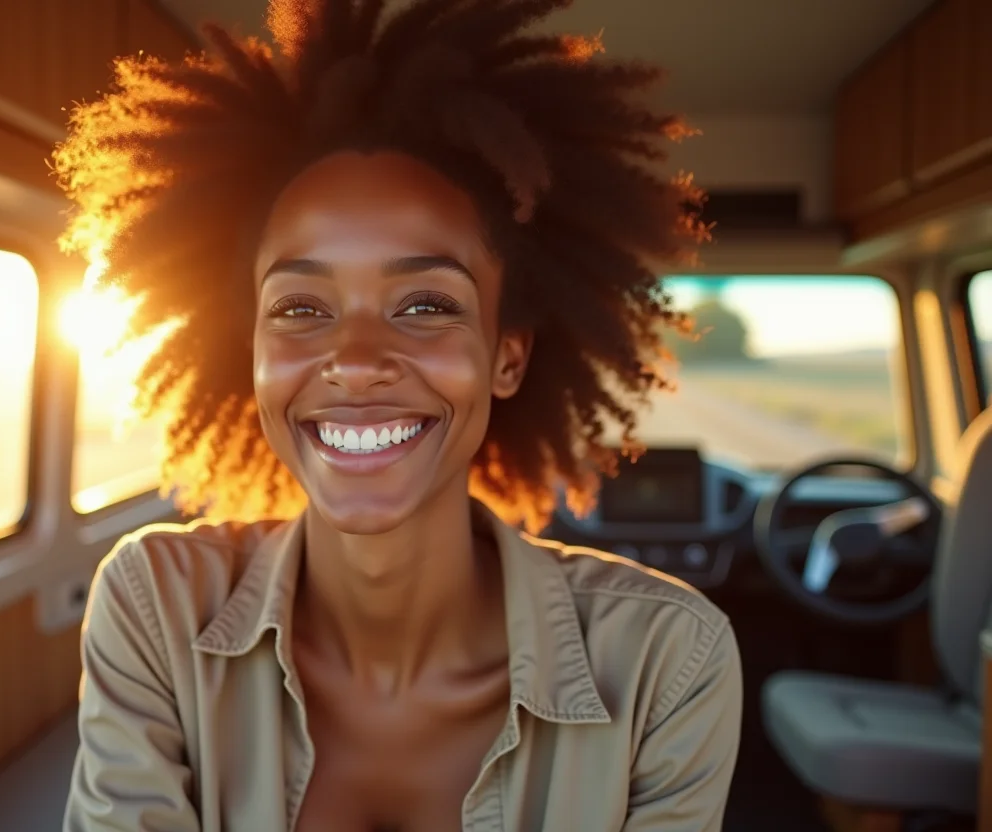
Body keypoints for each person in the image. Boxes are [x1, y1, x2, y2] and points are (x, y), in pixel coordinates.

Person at [55, 1, 742, 830]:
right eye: (302, 309)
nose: (355, 359)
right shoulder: (156, 604)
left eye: (423, 304)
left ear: (506, 357)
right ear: (252, 354)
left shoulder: (669, 660)